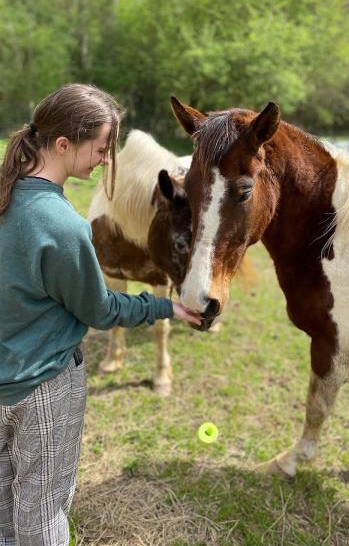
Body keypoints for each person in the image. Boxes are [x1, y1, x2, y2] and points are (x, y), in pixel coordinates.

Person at [0, 84, 200, 546]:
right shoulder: (63, 225)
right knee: (42, 514)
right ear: (64, 144)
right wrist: (165, 304)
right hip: (43, 388)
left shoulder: (6, 197)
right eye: (102, 148)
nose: (107, 160)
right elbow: (100, 308)